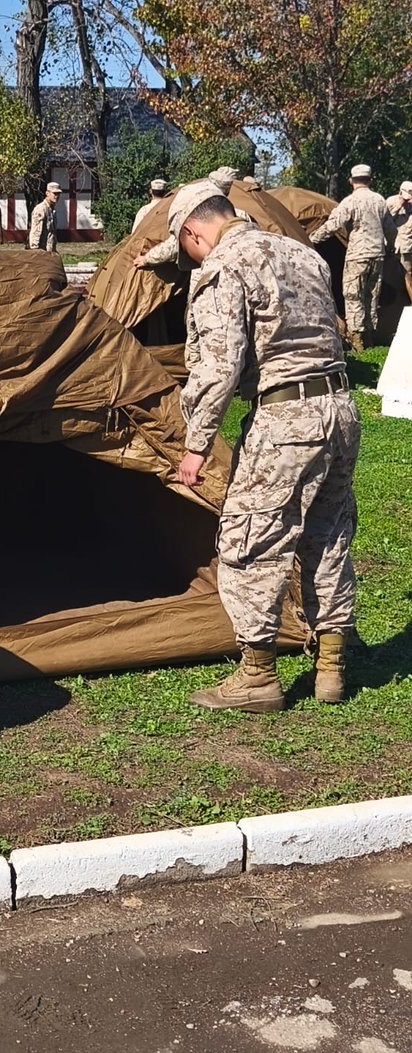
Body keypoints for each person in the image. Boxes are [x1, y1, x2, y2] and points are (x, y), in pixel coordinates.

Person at [169, 180, 360, 712]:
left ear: (193, 232)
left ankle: (257, 676)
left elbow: (218, 366)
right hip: (340, 410)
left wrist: (197, 442)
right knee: (327, 532)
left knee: (249, 540)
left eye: (185, 249)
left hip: (284, 419)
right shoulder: (303, 254)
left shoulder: (223, 267)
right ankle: (331, 667)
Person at [310, 164, 396, 352]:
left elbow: (333, 225)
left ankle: (358, 340)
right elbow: (390, 229)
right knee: (371, 295)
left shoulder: (350, 202)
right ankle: (370, 336)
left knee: (353, 295)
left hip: (357, 255)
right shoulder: (380, 200)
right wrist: (390, 247)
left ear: (351, 181)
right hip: (377, 254)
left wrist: (311, 240)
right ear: (370, 180)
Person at [386, 180, 412, 303]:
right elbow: (383, 220)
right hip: (391, 248)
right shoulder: (390, 202)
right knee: (391, 278)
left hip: (407, 249)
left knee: (408, 276)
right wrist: (398, 206)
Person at [28, 182, 63, 251]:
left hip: (50, 249)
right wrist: (35, 248)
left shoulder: (52, 209)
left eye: (58, 194)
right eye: (54, 193)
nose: (57, 196)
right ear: (47, 193)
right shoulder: (41, 209)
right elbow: (36, 230)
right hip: (42, 251)